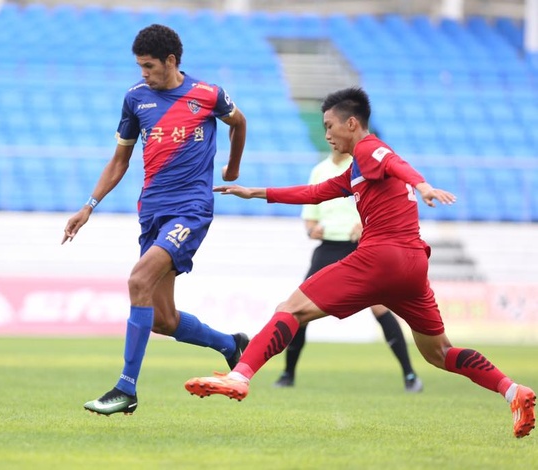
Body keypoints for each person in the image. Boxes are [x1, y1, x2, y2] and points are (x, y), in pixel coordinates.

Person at [185, 87, 535, 438]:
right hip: (412, 266)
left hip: (379, 257)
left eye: (329, 126)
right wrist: (256, 192)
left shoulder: (369, 148)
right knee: (440, 353)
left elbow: (393, 160)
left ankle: (240, 376)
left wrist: (423, 185)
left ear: (351, 123)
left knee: (291, 309)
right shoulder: (357, 170)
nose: (326, 135)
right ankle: (512, 391)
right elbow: (313, 193)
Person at [62, 24, 249, 416]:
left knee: (138, 280)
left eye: (149, 66)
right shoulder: (135, 99)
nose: (143, 73)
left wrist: (231, 168)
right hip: (152, 211)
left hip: (191, 210)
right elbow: (119, 161)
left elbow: (239, 122)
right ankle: (232, 345)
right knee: (162, 320)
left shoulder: (207, 94)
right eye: (139, 66)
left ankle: (125, 389)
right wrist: (88, 206)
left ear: (171, 61)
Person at [275, 147, 422, 393]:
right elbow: (310, 218)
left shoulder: (365, 168)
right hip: (329, 247)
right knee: (297, 307)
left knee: (379, 307)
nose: (332, 137)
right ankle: (288, 373)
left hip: (361, 246)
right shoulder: (319, 171)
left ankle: (409, 375)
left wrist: (366, 225)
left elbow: (383, 206)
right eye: (328, 129)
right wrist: (312, 230)